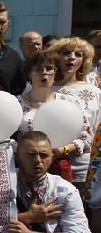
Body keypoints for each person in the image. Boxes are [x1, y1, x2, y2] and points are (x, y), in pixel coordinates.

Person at [16, 51, 89, 183]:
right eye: (38, 69)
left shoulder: (70, 103)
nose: (44, 72)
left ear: (56, 73)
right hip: (25, 170)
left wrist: (63, 149)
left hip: (59, 170)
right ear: (29, 73)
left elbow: (85, 137)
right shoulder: (16, 103)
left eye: (49, 68)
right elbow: (6, 139)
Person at [49, 37, 101, 193]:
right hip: (50, 164)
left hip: (85, 167)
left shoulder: (94, 92)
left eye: (78, 54)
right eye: (65, 53)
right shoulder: (44, 88)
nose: (72, 57)